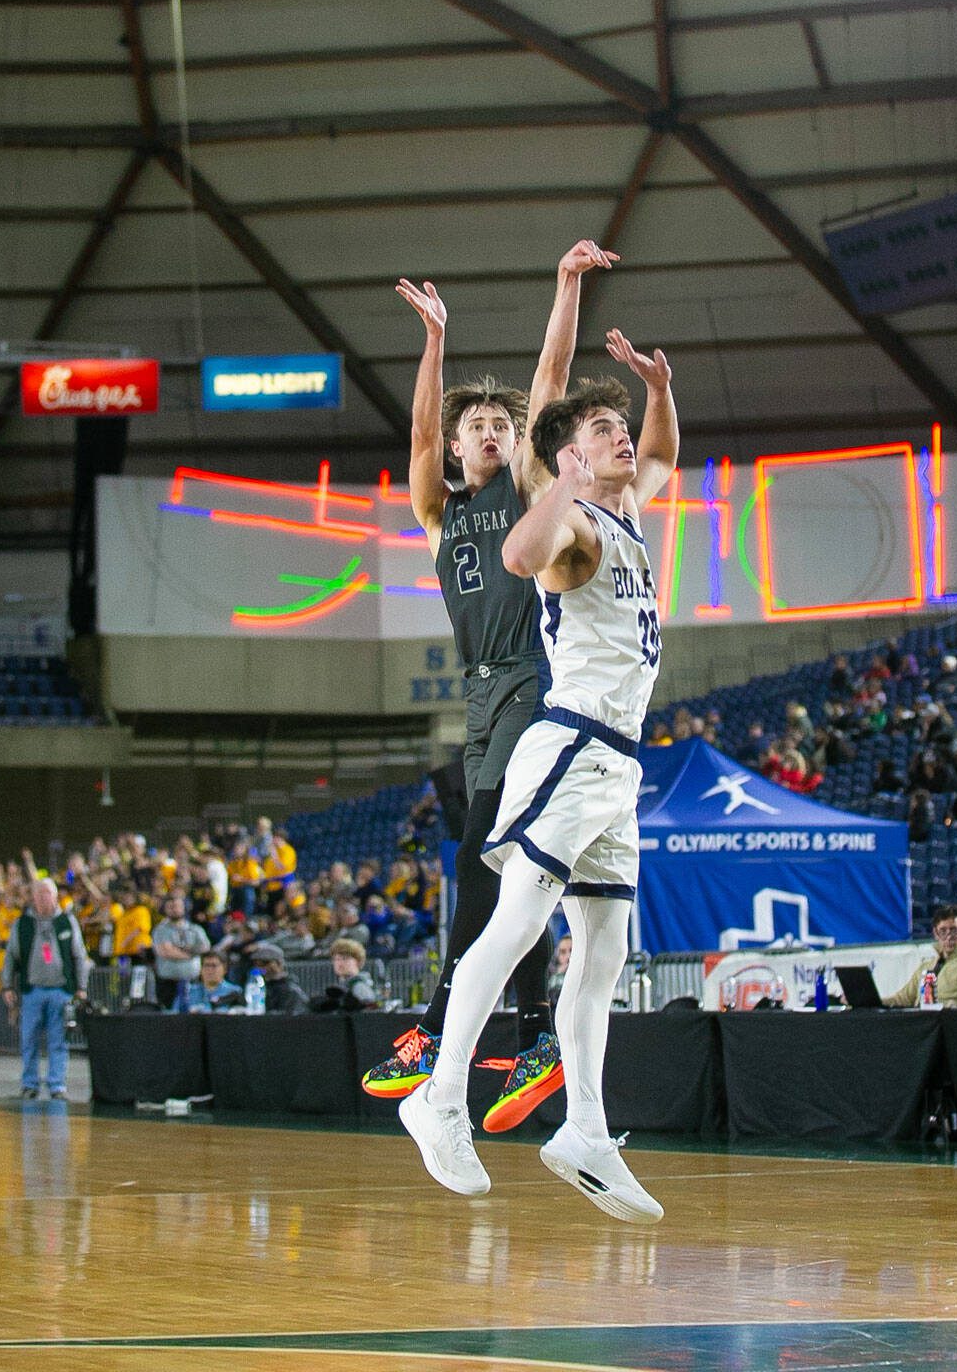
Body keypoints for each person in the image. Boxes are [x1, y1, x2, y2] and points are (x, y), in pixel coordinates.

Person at [399, 333, 677, 1223]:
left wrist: (658, 387)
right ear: (570, 456)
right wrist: (559, 478)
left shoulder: (627, 505)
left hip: (618, 765)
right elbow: (522, 557)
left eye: (619, 424)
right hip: (569, 746)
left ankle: (585, 1133)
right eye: (603, 428)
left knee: (605, 955)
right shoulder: (578, 528)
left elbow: (665, 451)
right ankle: (439, 1100)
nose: (622, 436)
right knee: (518, 923)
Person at [363, 239, 616, 1131]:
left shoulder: (520, 488)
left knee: (480, 855)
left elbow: (549, 378)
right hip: (480, 696)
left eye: (500, 427)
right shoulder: (442, 510)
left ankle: (439, 1028)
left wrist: (564, 283)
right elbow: (423, 435)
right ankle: (535, 1035)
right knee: (509, 874)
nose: (490, 432)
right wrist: (434, 342)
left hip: (535, 684)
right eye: (478, 426)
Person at [2, 878, 90, 1099]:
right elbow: (11, 957)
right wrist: (7, 986)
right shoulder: (22, 923)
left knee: (58, 1040)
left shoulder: (67, 922)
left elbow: (79, 956)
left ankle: (57, 1085)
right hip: (32, 990)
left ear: (55, 896)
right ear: (33, 897)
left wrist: (81, 986)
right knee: (28, 1039)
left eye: (47, 894)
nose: (43, 898)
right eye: (38, 894)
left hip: (61, 990)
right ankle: (29, 1084)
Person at [882, 902, 957, 1009]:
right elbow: (902, 999)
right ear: (935, 933)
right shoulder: (926, 966)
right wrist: (875, 1002)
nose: (948, 937)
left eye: (953, 931)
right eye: (943, 931)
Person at [152, 893, 212, 1011]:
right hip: (168, 983)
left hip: (193, 982)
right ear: (165, 909)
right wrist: (191, 953)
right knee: (169, 1016)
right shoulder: (160, 930)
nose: (175, 909)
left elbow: (205, 947)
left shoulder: (195, 929)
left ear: (184, 907)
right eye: (171, 907)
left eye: (177, 906)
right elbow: (166, 951)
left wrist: (178, 950)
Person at [311, 939, 379, 1013]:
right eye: (336, 959)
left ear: (358, 961)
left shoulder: (359, 986)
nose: (339, 963)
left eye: (345, 959)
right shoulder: (342, 986)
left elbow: (369, 1012)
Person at [247, 942, 307, 1013]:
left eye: (265, 962)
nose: (261, 968)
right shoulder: (257, 987)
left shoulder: (289, 989)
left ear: (279, 964)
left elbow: (289, 1015)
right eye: (257, 964)